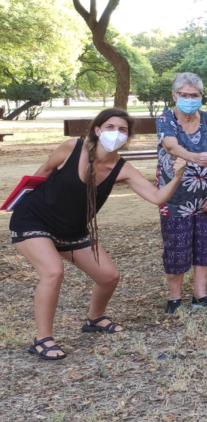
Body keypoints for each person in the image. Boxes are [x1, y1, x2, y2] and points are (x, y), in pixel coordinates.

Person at [10, 108, 187, 360]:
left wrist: (178, 174)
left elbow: (157, 197)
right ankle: (42, 339)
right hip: (34, 219)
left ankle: (94, 319)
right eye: (110, 127)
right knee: (53, 272)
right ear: (97, 130)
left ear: (128, 137)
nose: (116, 133)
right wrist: (18, 201)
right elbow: (44, 171)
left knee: (109, 276)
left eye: (123, 130)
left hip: (71, 229)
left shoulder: (122, 168)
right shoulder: (73, 147)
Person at [157, 72, 207, 314]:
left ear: (201, 96)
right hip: (175, 198)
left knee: (206, 246)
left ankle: (201, 295)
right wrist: (194, 157)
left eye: (194, 95)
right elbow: (170, 145)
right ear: (174, 95)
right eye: (184, 95)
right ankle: (175, 298)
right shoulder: (166, 118)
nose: (189, 99)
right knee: (176, 247)